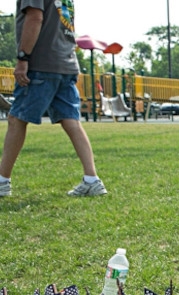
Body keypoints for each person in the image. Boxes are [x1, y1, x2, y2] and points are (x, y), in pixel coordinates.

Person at [0, 0, 108, 197]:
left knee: (17, 119)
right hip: (66, 64)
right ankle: (92, 180)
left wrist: (23, 58)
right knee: (71, 121)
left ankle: (2, 181)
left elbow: (35, 17)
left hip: (41, 64)